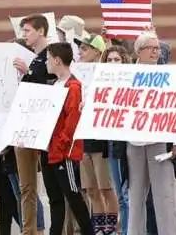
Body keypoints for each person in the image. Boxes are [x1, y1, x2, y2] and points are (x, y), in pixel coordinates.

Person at [126, 31, 176, 235]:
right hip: (134, 142)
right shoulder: (126, 76)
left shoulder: (169, 76)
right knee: (136, 196)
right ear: (139, 51)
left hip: (160, 142)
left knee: (165, 196)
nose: (157, 52)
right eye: (152, 48)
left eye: (158, 48)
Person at [42, 42, 93, 235]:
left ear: (56, 60)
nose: (46, 63)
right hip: (48, 150)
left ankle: (88, 231)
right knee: (54, 198)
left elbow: (72, 121)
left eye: (48, 59)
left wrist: (60, 144)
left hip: (64, 153)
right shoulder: (54, 85)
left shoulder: (73, 87)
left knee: (73, 197)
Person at [13, 14, 54, 235]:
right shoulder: (29, 58)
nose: (24, 36)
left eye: (27, 31)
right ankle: (29, 231)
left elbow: (52, 85)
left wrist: (27, 72)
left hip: (45, 128)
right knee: (26, 186)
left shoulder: (53, 55)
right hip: (24, 127)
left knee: (53, 185)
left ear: (40, 31)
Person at [76, 34, 119, 235]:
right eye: (80, 49)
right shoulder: (77, 73)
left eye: (85, 49)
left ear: (96, 52)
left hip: (100, 136)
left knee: (106, 188)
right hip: (83, 135)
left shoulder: (106, 74)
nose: (80, 52)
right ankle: (99, 226)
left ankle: (111, 227)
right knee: (90, 188)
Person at [101, 46, 130, 235]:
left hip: (127, 145)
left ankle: (128, 231)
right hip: (111, 145)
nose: (112, 63)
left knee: (127, 195)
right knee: (119, 194)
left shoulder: (130, 84)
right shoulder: (101, 88)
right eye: (109, 60)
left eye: (117, 59)